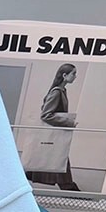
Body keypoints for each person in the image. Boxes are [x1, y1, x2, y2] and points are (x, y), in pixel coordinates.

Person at [25, 63, 81, 191]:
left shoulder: (61, 91)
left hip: (56, 132)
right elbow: (46, 115)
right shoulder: (56, 92)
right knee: (60, 157)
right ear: (64, 75)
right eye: (73, 73)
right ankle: (68, 186)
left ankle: (66, 185)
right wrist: (69, 123)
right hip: (56, 131)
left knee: (57, 157)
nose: (75, 76)